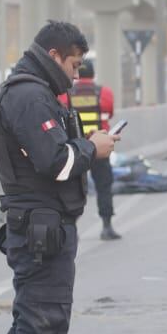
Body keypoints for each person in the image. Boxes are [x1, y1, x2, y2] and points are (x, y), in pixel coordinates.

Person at [0, 21, 118, 334]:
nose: (76, 74)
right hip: (41, 227)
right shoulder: (29, 95)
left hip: (41, 223)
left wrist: (86, 145)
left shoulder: (35, 91)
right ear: (54, 53)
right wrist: (92, 149)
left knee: (30, 325)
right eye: (74, 64)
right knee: (37, 329)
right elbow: (54, 161)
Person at [59, 59, 121, 241]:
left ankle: (72, 229)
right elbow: (109, 113)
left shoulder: (66, 94)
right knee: (104, 186)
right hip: (99, 147)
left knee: (74, 188)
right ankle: (107, 227)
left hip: (77, 148)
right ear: (93, 74)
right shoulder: (105, 93)